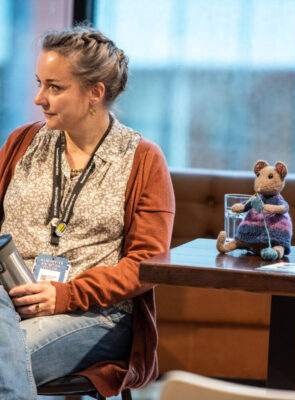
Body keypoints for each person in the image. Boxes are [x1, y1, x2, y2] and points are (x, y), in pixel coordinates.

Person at [0, 25, 175, 399]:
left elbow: (146, 265)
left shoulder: (143, 159)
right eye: (40, 84)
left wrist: (65, 295)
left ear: (95, 93)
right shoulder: (21, 143)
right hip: (7, 303)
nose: (39, 98)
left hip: (96, 316)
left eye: (55, 88)